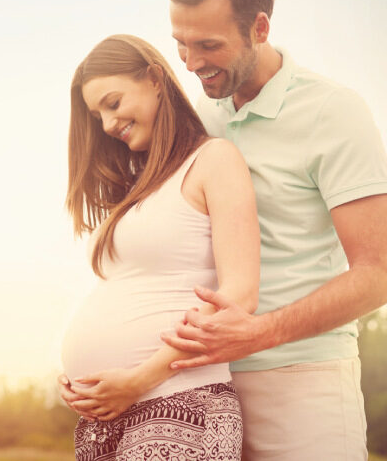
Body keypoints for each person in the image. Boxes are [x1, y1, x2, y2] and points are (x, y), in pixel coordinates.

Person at [157, 0, 387, 460]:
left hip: (305, 384)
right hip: (207, 387)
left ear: (260, 27)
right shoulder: (200, 117)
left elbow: (381, 273)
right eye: (182, 42)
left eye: (208, 45)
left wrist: (259, 334)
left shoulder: (333, 111)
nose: (189, 61)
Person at [58, 34, 260, 460]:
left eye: (112, 104)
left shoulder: (214, 160)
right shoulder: (139, 188)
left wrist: (138, 379)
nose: (108, 124)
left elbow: (239, 295)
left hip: (181, 404)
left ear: (153, 79)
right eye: (98, 116)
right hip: (109, 418)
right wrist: (84, 382)